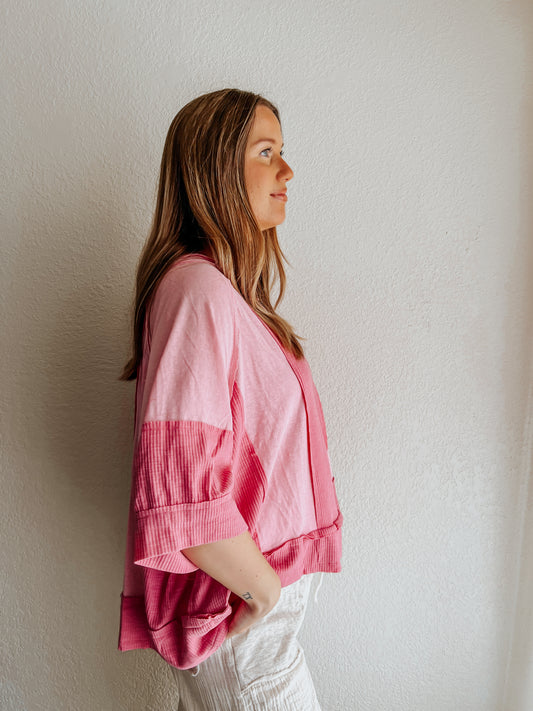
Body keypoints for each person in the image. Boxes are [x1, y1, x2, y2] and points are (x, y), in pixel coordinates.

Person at [118, 88, 343, 710]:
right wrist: (263, 591)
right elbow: (180, 494)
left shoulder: (223, 295)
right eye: (266, 152)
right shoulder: (198, 291)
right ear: (216, 170)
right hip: (244, 617)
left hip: (249, 612)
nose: (287, 171)